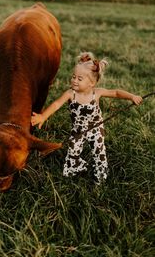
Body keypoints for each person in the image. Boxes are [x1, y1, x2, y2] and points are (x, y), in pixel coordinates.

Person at [31, 52, 143, 184]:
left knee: (99, 151)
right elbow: (56, 104)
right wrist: (43, 116)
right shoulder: (70, 93)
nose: (74, 80)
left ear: (92, 83)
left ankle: (100, 174)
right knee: (73, 151)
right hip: (78, 129)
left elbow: (116, 92)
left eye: (79, 79)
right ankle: (76, 167)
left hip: (96, 129)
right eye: (73, 77)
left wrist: (132, 97)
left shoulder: (97, 93)